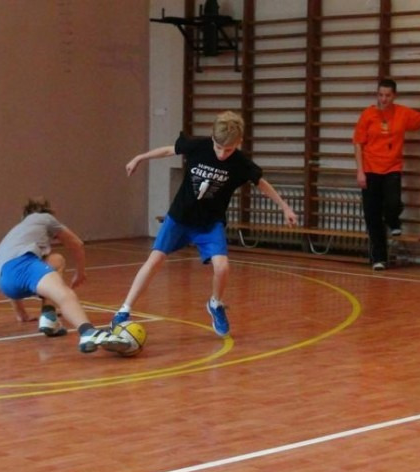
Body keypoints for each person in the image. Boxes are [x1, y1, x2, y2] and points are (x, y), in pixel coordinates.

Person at [110, 111, 298, 337]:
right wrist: (139, 158)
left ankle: (215, 303)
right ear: (212, 138)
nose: (222, 154)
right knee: (155, 260)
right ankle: (124, 309)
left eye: (228, 150)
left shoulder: (240, 163)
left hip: (210, 223)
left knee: (222, 267)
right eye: (218, 148)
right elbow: (168, 150)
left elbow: (261, 183)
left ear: (239, 143)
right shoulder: (198, 146)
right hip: (180, 217)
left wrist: (284, 207)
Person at [0, 197, 125, 354]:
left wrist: (22, 314)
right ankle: (88, 332)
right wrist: (80, 272)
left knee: (56, 260)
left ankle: (49, 318)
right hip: (23, 265)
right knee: (64, 294)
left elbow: (9, 272)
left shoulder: (17, 233)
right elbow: (76, 243)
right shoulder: (44, 217)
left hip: (2, 280)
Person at [353, 78, 420, 270]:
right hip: (370, 169)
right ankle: (379, 258)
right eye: (380, 95)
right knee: (372, 216)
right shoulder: (368, 115)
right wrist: (360, 171)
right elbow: (358, 143)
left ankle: (393, 221)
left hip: (392, 168)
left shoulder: (402, 113)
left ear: (394, 96)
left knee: (393, 203)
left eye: (387, 95)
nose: (384, 99)